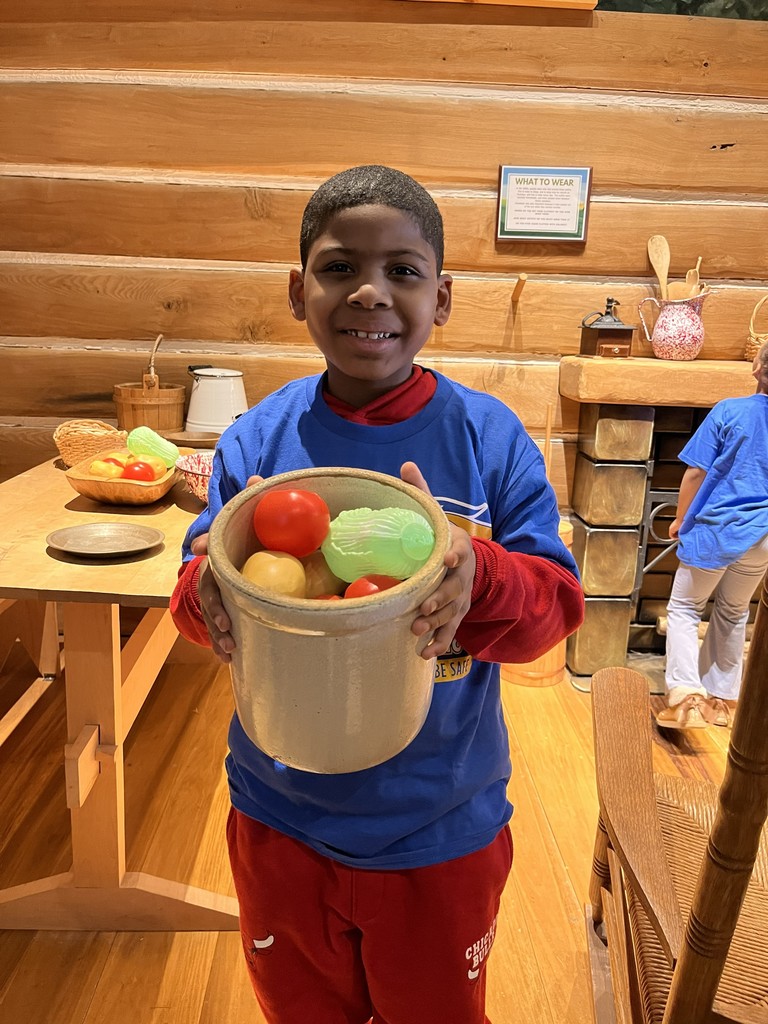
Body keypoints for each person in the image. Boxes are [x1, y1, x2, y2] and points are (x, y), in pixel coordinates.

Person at [170, 164, 584, 1024]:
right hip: (279, 815)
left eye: (402, 270)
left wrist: (482, 573)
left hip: (440, 826)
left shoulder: (489, 438)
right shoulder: (259, 438)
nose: (369, 293)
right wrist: (205, 595)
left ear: (442, 298)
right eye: (338, 268)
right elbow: (199, 590)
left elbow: (556, 610)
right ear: (297, 291)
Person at [656, 340, 768, 731]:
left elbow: (695, 473)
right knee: (734, 612)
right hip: (763, 538)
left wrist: (681, 519)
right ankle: (720, 701)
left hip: (719, 529)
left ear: (757, 366)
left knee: (685, 608)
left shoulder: (730, 411)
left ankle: (686, 696)